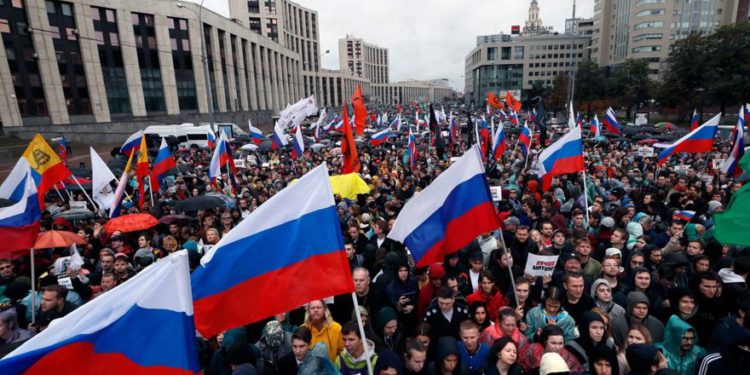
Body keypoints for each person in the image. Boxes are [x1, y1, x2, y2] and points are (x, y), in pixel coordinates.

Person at [518, 325, 583, 374]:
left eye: (560, 343)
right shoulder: (532, 349)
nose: (557, 347)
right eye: (553, 343)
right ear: (545, 341)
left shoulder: (567, 357)